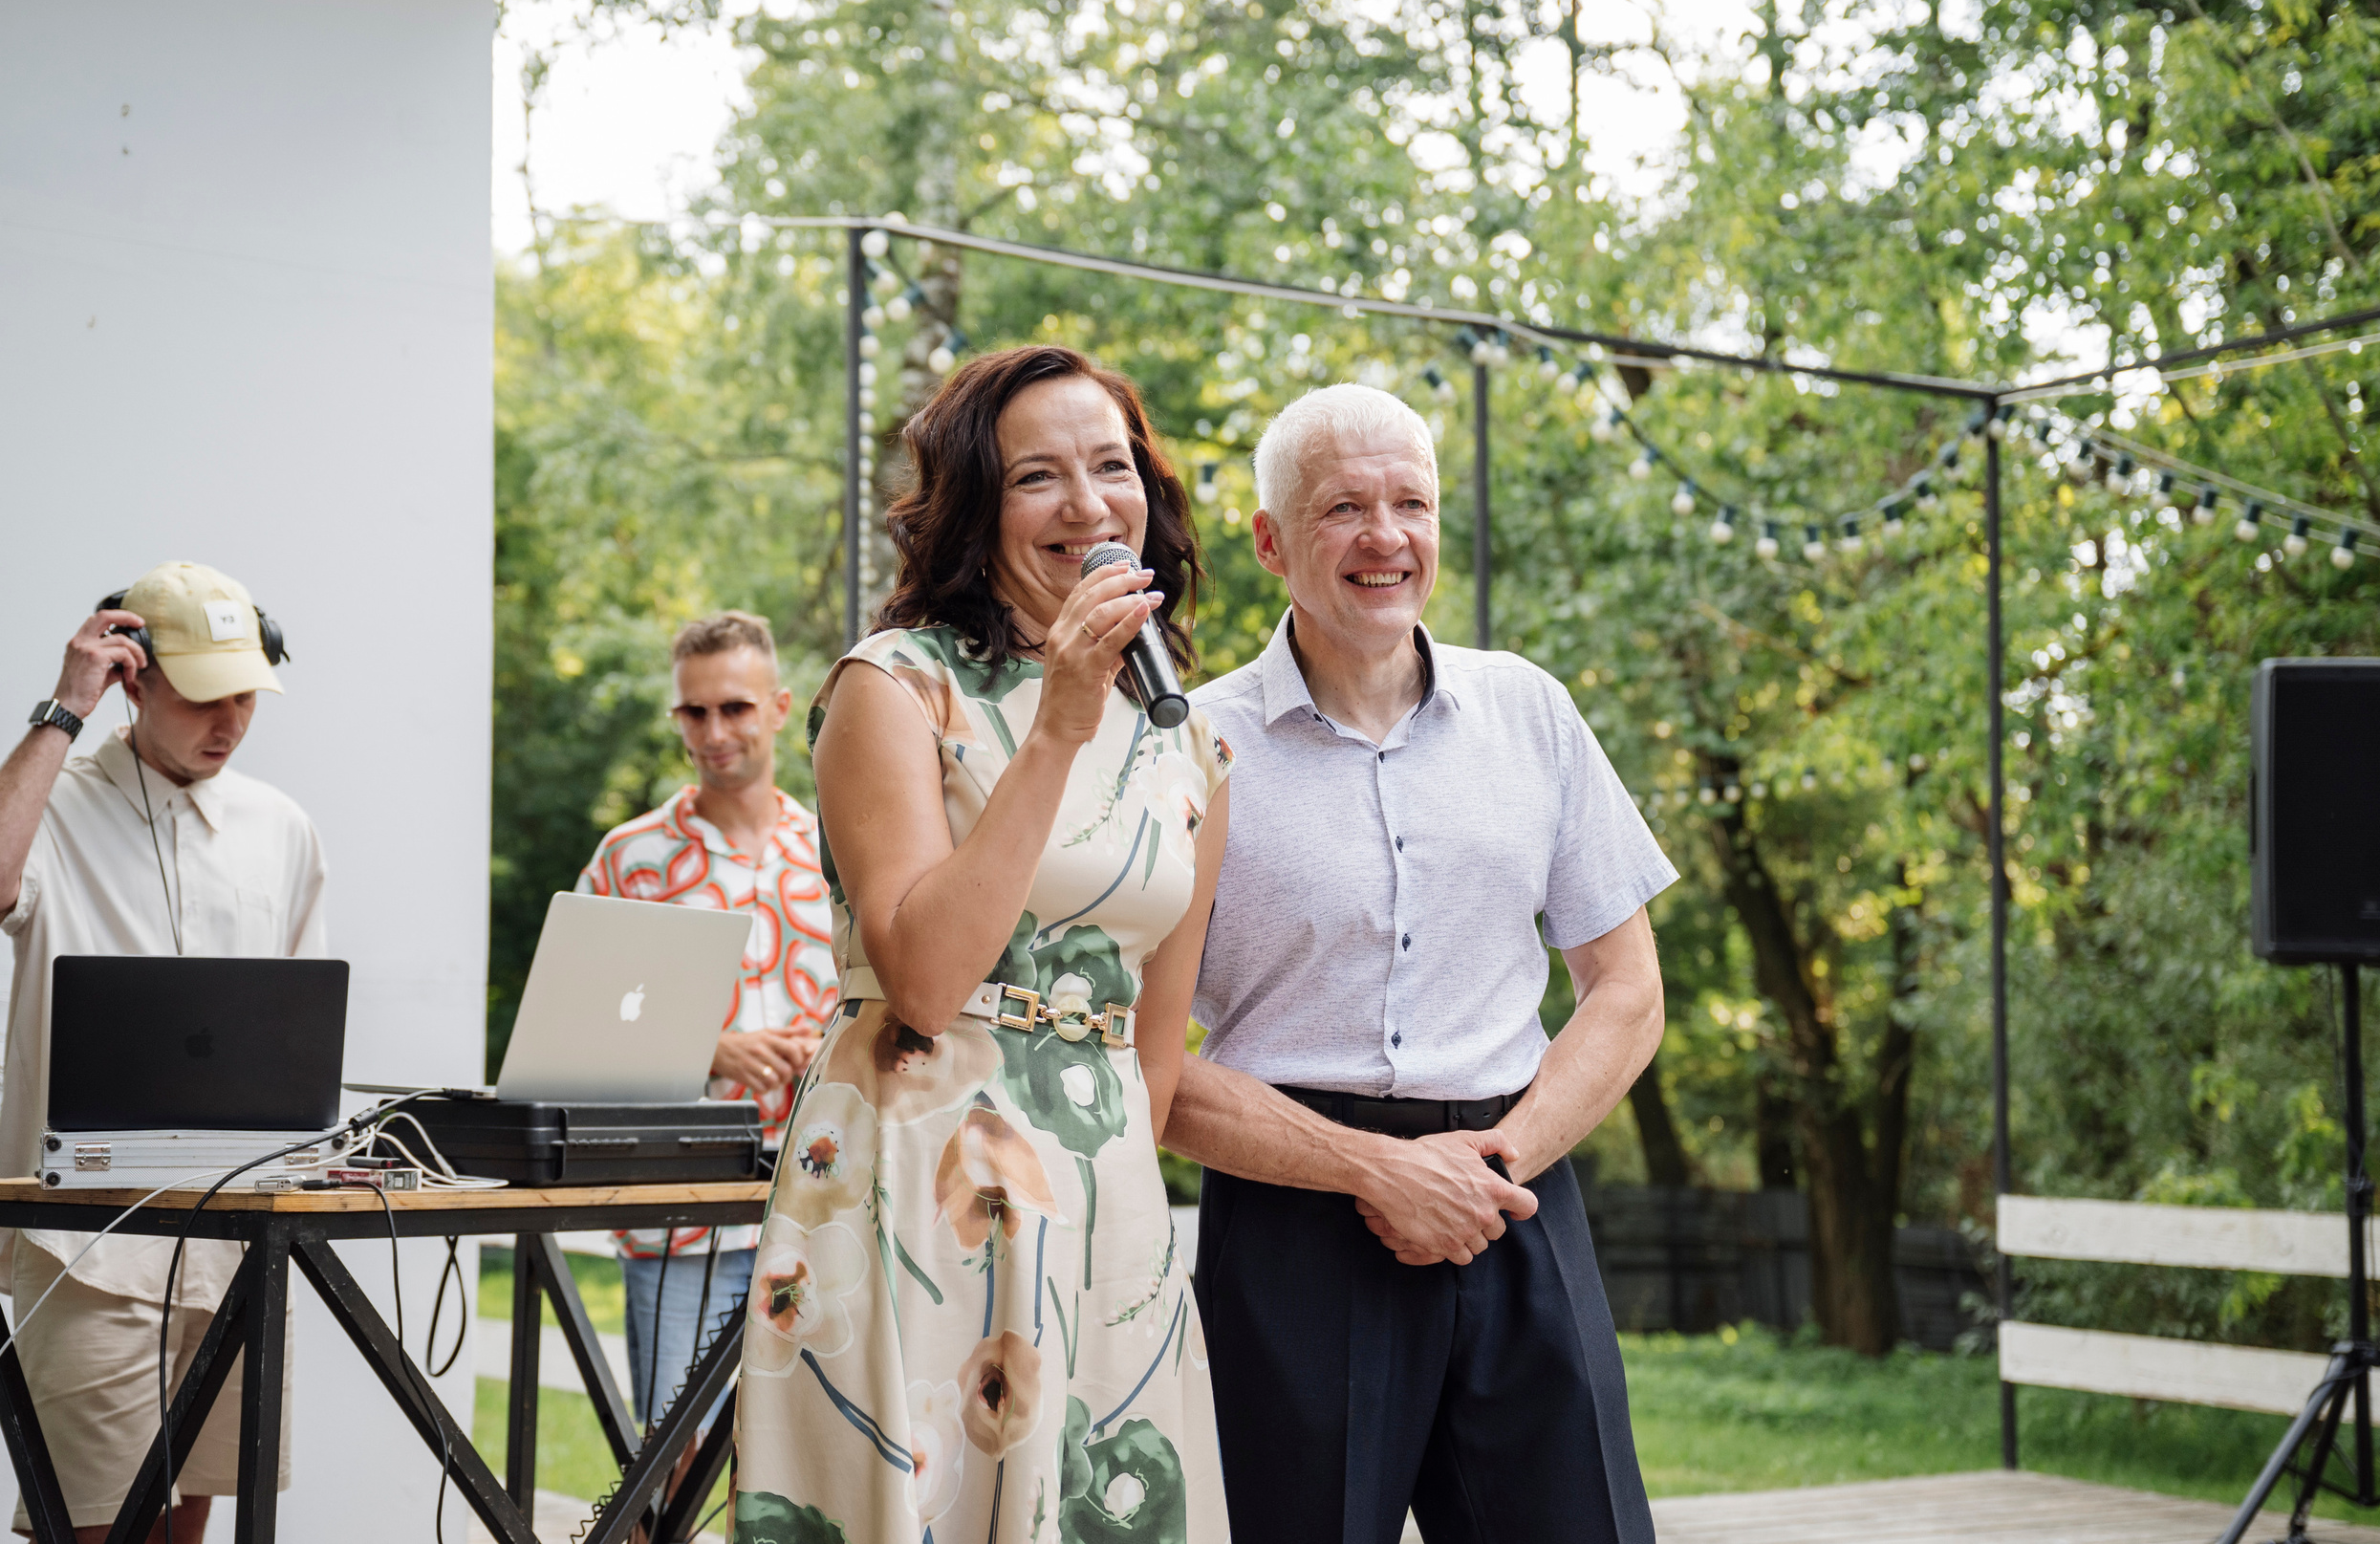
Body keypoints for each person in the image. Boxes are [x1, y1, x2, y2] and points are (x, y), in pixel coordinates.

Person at [733, 345, 1233, 1543]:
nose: (1086, 504)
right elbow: (925, 975)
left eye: (1111, 467)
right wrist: (1055, 728)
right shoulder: (895, 686)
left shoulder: (1187, 739)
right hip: (921, 1178)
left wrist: (1120, 1232)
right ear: (973, 505)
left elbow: (1155, 1047)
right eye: (1036, 477)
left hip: (1104, 1195)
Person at [1168, 383, 1676, 1544]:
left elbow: (1628, 991)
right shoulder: (1191, 747)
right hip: (1292, 1220)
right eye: (1343, 505)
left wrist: (1493, 1162)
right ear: (1269, 541)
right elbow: (1144, 1065)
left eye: (1412, 502)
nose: (1385, 536)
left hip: (1517, 1198)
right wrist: (1374, 1172)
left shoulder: (1531, 713)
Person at [0, 561, 317, 1543]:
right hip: (91, 1247)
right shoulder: (52, 800)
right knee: (90, 1526)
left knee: (192, 1520)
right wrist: (62, 710)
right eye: (202, 696)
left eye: (245, 698)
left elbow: (291, 1019)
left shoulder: (282, 828)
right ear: (132, 677)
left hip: (234, 1237)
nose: (227, 721)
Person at [573, 609, 839, 1425]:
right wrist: (707, 1047)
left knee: (813, 1468)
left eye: (735, 707)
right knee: (671, 1459)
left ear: (781, 706)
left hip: (825, 1210)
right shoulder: (630, 858)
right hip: (681, 1214)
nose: (713, 730)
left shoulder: (840, 847)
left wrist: (826, 1050)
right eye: (694, 711)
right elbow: (574, 1029)